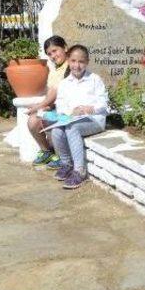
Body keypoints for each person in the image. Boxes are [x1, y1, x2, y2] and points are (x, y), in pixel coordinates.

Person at [52, 45, 108, 189]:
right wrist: (70, 112)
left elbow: (103, 103)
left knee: (72, 128)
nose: (77, 65)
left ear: (87, 62)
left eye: (81, 61)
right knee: (57, 130)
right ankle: (66, 164)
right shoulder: (64, 83)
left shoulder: (95, 79)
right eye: (73, 61)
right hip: (72, 118)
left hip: (94, 120)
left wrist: (90, 108)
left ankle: (79, 171)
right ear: (68, 61)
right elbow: (60, 104)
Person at [27, 35, 69, 168]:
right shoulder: (54, 70)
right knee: (33, 121)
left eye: (55, 51)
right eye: (49, 54)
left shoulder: (71, 66)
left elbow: (58, 91)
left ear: (65, 48)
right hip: (54, 106)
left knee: (48, 119)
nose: (53, 56)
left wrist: (40, 106)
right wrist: (46, 106)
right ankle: (47, 151)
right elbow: (51, 92)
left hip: (67, 108)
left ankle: (61, 156)